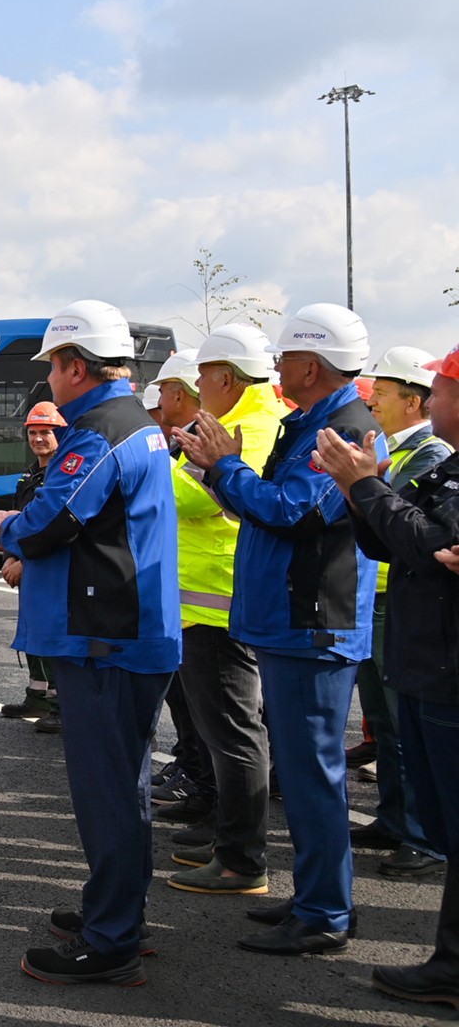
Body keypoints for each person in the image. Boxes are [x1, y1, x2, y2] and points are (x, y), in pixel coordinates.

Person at [0, 299, 181, 986]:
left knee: (107, 792)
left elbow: (54, 520)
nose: (50, 382)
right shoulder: (137, 423)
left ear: (73, 365)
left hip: (105, 638)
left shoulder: (100, 431)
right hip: (126, 632)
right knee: (125, 786)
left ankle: (112, 940)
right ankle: (120, 908)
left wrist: (2, 529)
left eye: (52, 367)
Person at [176, 302, 380, 955]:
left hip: (311, 625)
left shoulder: (343, 426)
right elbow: (263, 505)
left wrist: (224, 469)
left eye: (283, 359)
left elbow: (293, 511)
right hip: (291, 621)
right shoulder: (311, 421)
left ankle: (324, 914)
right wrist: (223, 471)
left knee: (313, 776)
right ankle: (319, 897)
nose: (273, 371)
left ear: (311, 365)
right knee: (302, 767)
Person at [315, 343, 459, 1012]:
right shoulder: (446, 467)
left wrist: (368, 489)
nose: (434, 404)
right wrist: (359, 490)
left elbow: (426, 541)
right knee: (441, 825)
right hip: (427, 663)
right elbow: (396, 540)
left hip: (447, 669)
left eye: (443, 391)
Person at [162, 324, 288, 896]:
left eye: (201, 379)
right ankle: (228, 841)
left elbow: (194, 494)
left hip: (219, 604)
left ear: (225, 379)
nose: (195, 388)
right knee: (221, 733)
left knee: (235, 734)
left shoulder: (251, 425)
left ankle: (242, 858)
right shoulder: (232, 421)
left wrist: (160, 473)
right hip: (203, 601)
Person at [348, 347, 451, 879]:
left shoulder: (432, 455)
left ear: (415, 402)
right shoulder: (393, 450)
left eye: (383, 395)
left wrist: (368, 486)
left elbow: (415, 530)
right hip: (389, 597)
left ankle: (422, 835)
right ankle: (394, 818)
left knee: (405, 721)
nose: (374, 404)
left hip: (404, 602)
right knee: (387, 722)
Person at [146, 349, 218, 826]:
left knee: (209, 712)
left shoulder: (199, 441)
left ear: (175, 394)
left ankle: (202, 785)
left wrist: (150, 474)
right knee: (187, 703)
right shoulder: (183, 441)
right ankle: (192, 771)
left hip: (208, 597)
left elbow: (192, 499)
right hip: (184, 591)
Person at [0, 401, 65, 732]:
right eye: (34, 433)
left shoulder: (62, 473)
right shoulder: (32, 472)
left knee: (50, 635)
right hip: (27, 565)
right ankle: (37, 696)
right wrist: (10, 556)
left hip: (47, 569)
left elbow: (53, 527)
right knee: (32, 633)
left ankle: (59, 704)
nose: (39, 439)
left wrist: (24, 562)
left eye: (46, 432)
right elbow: (19, 519)